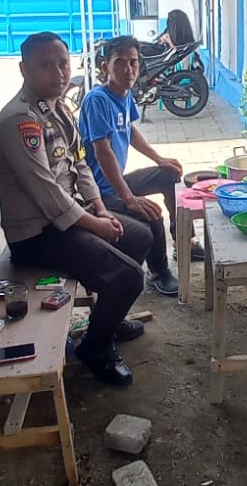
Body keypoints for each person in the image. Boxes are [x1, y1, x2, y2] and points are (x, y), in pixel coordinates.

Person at [0, 31, 154, 387]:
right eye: (46, 65)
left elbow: (80, 164)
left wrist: (100, 209)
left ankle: (109, 319)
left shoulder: (58, 108)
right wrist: (96, 224)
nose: (59, 73)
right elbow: (47, 193)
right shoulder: (19, 121)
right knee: (128, 277)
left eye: (63, 63)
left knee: (139, 235)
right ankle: (96, 349)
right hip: (37, 234)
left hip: (68, 218)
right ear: (24, 69)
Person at [78, 36, 201, 298]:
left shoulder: (124, 95)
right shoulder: (97, 100)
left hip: (117, 182)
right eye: (119, 63)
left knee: (169, 174)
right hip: (99, 193)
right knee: (151, 214)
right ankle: (158, 272)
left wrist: (159, 159)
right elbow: (103, 153)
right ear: (105, 67)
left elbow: (130, 130)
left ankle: (184, 241)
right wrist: (129, 199)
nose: (128, 70)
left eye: (133, 62)